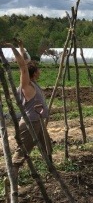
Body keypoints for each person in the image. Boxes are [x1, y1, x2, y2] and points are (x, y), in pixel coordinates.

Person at [10, 40, 52, 177]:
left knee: (47, 146)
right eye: (38, 69)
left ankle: (51, 171)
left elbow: (25, 63)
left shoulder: (33, 84)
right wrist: (12, 48)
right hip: (30, 123)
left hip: (37, 121)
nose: (40, 71)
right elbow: (23, 67)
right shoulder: (26, 86)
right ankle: (13, 176)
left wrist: (21, 47)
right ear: (34, 73)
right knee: (21, 152)